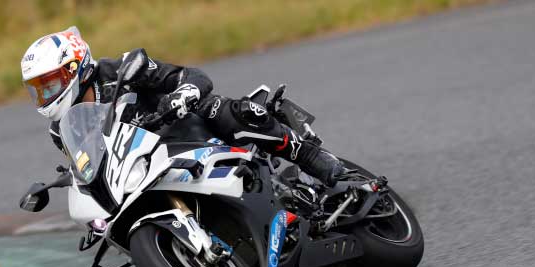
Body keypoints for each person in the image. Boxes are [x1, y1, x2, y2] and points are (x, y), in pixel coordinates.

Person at [21, 27, 343, 186]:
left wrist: (181, 95)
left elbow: (193, 77)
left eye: (49, 83)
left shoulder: (119, 70)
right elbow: (90, 167)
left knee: (224, 111)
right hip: (147, 169)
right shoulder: (60, 131)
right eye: (38, 88)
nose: (45, 93)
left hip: (186, 129)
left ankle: (309, 156)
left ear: (75, 68)